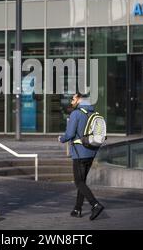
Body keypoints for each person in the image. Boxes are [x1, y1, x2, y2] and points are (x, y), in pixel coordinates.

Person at [58, 92, 104, 220]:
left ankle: (95, 204)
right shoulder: (93, 113)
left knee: (78, 182)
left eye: (73, 99)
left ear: (79, 99)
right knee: (82, 182)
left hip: (79, 153)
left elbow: (70, 134)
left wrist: (61, 139)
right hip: (91, 152)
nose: (71, 101)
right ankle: (77, 209)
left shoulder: (76, 114)